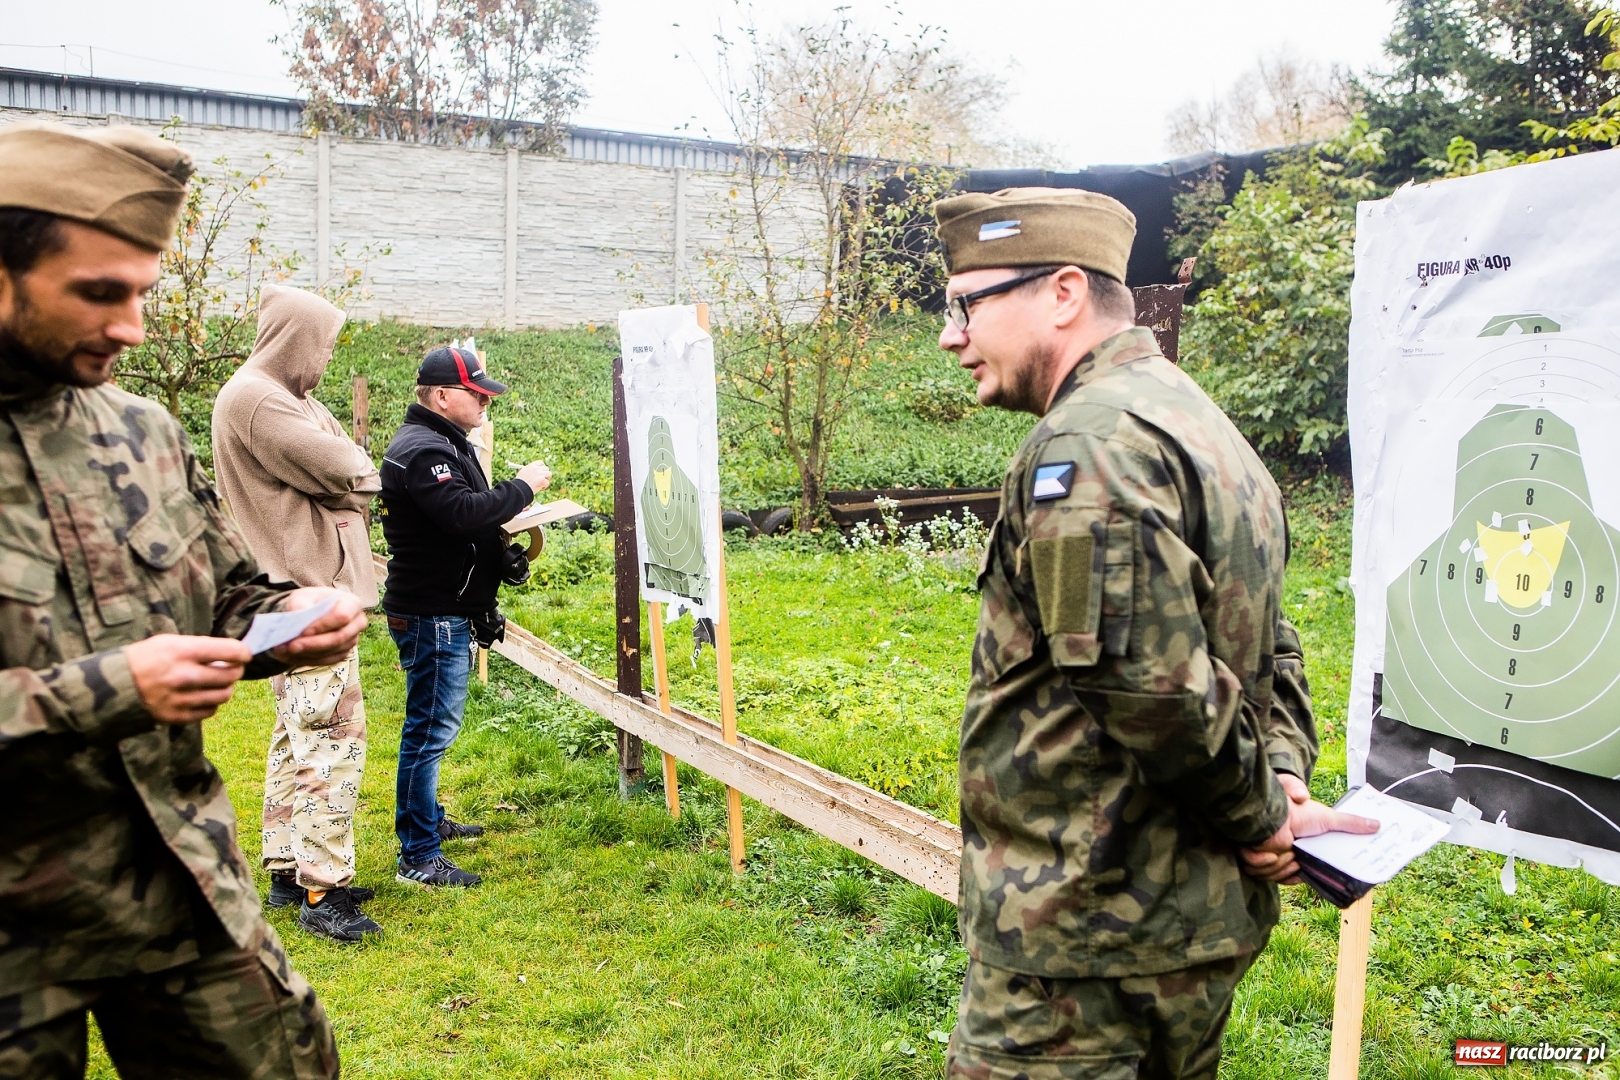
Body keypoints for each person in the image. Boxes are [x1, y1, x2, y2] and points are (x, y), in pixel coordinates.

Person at [932, 187, 1379, 1080]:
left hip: (1085, 940)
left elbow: (1150, 679)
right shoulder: (1196, 421)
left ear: (1063, 292)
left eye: (966, 305)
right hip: (1184, 922)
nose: (951, 336)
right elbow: (1269, 640)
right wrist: (1282, 779)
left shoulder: (1091, 443)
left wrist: (1265, 817)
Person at [0, 122, 366, 1078]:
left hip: (175, 884)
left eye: (141, 294)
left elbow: (226, 593)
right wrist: (109, 689)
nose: (131, 327)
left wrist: (292, 625)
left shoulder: (144, 432)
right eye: (97, 293)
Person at [211, 283, 383, 944]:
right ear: (294, 338)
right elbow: (344, 464)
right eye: (324, 343)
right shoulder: (258, 397)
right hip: (305, 597)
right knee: (330, 740)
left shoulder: (286, 397)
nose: (327, 359)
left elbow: (344, 462)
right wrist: (352, 477)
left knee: (296, 734)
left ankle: (290, 868)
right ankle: (324, 890)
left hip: (299, 595)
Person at [378, 347, 551, 888]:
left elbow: (466, 524)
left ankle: (426, 821)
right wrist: (523, 486)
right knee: (429, 731)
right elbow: (462, 514)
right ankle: (418, 856)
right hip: (432, 613)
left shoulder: (444, 444)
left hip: (445, 609)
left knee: (433, 727)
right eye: (475, 393)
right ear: (443, 396)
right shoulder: (424, 451)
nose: (484, 401)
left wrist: (498, 561)